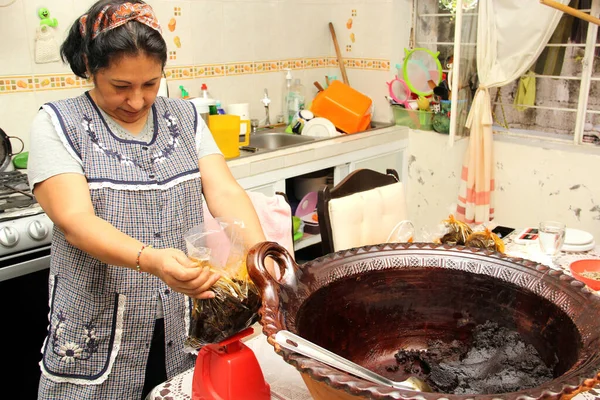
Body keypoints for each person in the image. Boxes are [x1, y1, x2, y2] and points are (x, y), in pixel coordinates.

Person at [27, 1, 268, 399]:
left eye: (151, 84)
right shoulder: (57, 123)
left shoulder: (185, 117)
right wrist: (151, 259)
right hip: (98, 326)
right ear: (90, 66)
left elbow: (224, 191)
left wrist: (260, 255)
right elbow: (75, 221)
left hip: (179, 320)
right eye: (120, 86)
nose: (137, 101)